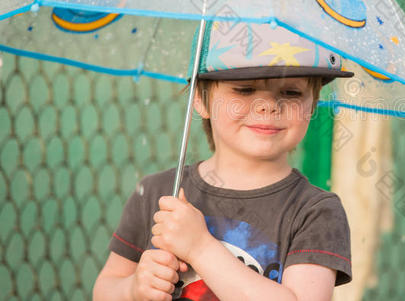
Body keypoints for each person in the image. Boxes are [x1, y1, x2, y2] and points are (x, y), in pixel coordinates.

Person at [93, 22, 354, 301]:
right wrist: (133, 289)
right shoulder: (159, 193)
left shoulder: (316, 212)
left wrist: (200, 248)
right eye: (244, 90)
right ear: (200, 100)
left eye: (291, 92)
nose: (268, 105)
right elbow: (105, 290)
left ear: (312, 105)